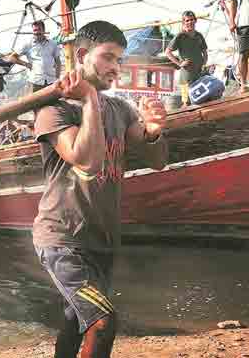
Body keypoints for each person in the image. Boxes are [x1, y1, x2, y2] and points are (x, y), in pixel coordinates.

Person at [33, 20, 169, 358]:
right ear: (82, 55)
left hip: (102, 240)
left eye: (119, 60)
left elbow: (157, 160)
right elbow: (85, 161)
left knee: (75, 320)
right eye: (108, 57)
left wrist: (153, 131)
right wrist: (90, 99)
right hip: (62, 239)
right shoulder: (54, 109)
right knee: (103, 320)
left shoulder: (121, 110)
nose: (115, 68)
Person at [5, 19, 62, 94]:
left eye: (39, 30)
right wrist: (26, 64)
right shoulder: (28, 44)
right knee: (35, 104)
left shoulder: (52, 44)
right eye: (35, 30)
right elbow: (12, 58)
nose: (37, 32)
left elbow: (58, 61)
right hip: (35, 82)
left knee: (53, 104)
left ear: (44, 30)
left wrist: (57, 78)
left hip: (50, 81)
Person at [165, 11, 208, 105]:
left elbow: (204, 52)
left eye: (192, 20)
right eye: (187, 20)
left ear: (195, 21)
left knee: (200, 99)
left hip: (199, 74)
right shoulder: (180, 36)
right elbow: (167, 52)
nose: (190, 22)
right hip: (186, 76)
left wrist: (204, 64)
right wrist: (180, 64)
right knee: (186, 102)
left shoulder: (199, 36)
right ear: (184, 22)